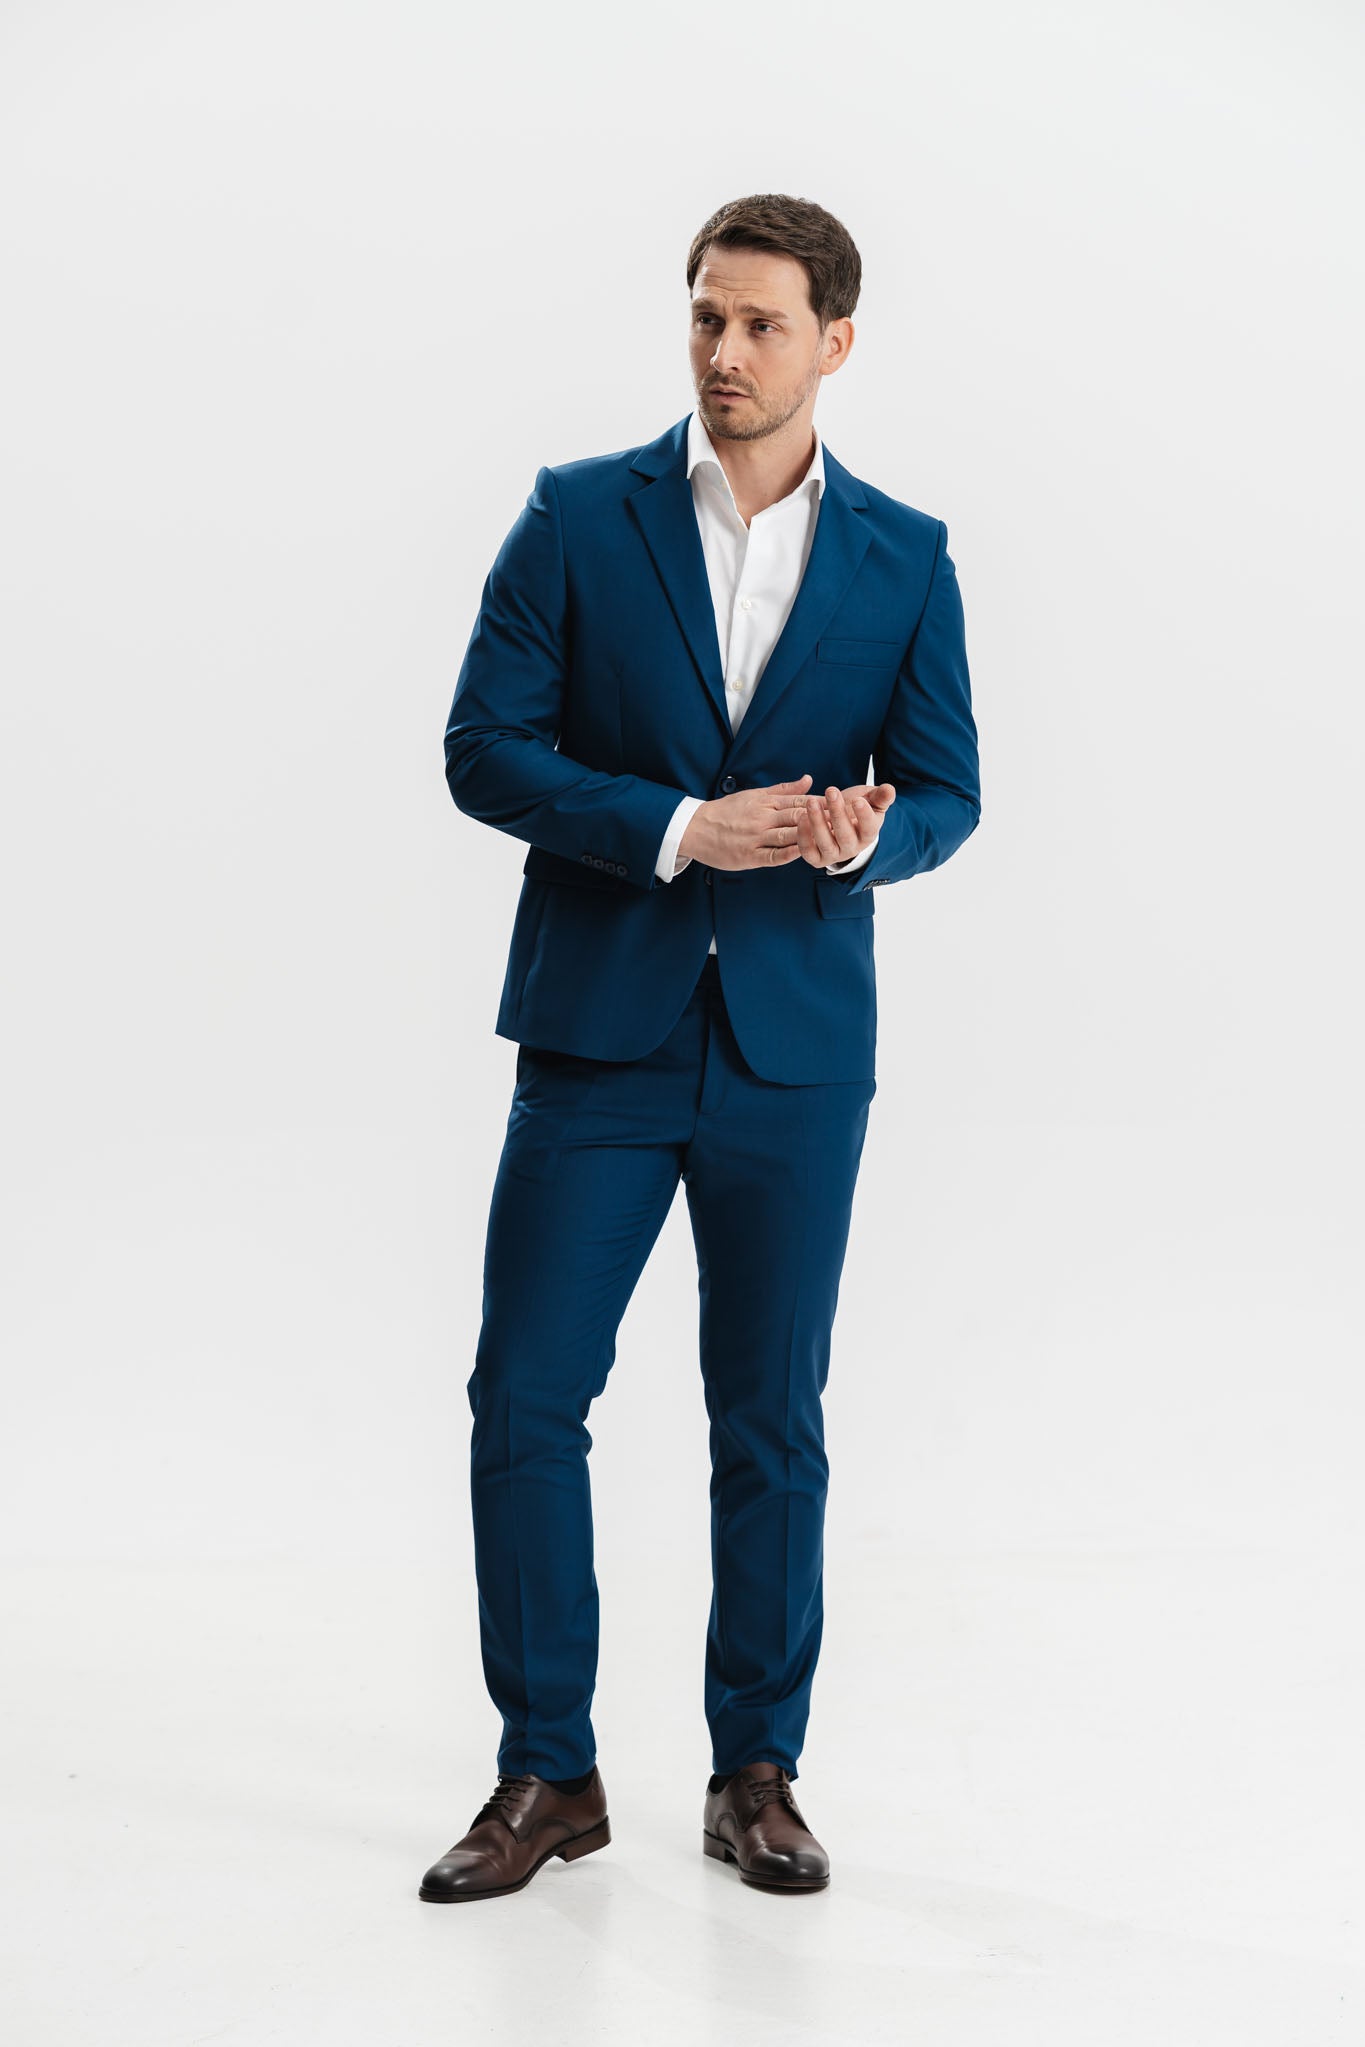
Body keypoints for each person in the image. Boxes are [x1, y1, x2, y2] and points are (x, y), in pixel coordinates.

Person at [421, 193, 980, 1903]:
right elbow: (483, 747)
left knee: (769, 1417)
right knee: (525, 1396)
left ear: (834, 342)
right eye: (704, 318)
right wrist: (679, 828)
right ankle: (547, 1772)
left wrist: (868, 839)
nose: (723, 353)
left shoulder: (904, 555)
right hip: (599, 1034)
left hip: (793, 1054)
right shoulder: (576, 516)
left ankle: (757, 1772)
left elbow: (948, 789)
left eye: (759, 325)